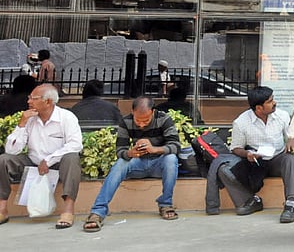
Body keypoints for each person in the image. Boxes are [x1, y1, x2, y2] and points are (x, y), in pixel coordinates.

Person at [83, 95, 181, 231]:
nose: (141, 125)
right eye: (138, 120)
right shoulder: (126, 121)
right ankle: (98, 212)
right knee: (121, 163)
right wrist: (131, 153)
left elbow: (176, 146)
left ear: (153, 112)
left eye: (146, 120)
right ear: (132, 112)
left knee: (171, 159)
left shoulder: (164, 119)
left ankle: (166, 204)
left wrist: (154, 149)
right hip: (138, 164)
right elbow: (120, 150)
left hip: (159, 163)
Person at [0, 84, 82, 229]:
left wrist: (49, 160)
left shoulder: (66, 117)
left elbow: (75, 144)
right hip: (33, 161)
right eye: (29, 98)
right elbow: (11, 150)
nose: (29, 102)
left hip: (57, 162)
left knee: (72, 158)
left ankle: (68, 210)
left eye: (33, 98)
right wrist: (21, 124)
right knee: (3, 160)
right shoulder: (30, 119)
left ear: (48, 101)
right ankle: (2, 208)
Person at [220, 86, 294, 223]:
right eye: (270, 101)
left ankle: (290, 204)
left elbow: (290, 135)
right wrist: (247, 154)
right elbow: (236, 148)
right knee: (224, 170)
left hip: (276, 159)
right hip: (255, 162)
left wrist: (291, 140)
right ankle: (251, 200)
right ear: (259, 108)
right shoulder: (241, 122)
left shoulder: (282, 116)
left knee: (290, 160)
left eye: (273, 99)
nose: (274, 103)